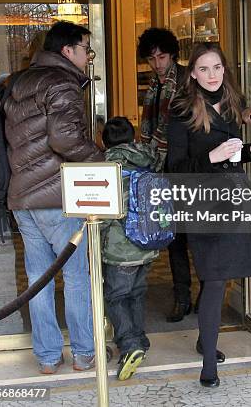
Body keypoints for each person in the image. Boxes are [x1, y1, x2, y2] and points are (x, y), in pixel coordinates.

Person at [4, 21, 104, 374]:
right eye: (86, 50)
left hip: (23, 197)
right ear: (68, 51)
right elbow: (64, 140)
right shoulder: (61, 82)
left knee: (39, 278)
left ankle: (47, 358)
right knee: (77, 276)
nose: (88, 57)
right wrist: (100, 158)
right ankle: (83, 352)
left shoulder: (21, 81)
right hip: (57, 197)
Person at [167, 42, 251, 388]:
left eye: (218, 68)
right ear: (193, 72)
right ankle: (208, 362)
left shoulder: (232, 105)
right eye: (204, 69)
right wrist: (210, 158)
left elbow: (233, 158)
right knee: (213, 278)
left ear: (225, 70)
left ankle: (203, 340)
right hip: (204, 205)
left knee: (221, 277)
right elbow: (175, 169)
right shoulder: (181, 109)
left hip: (236, 201)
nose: (212, 75)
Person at [138, 27, 198, 322]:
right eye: (152, 58)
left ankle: (203, 291)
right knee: (173, 234)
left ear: (172, 54)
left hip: (184, 165)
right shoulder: (154, 84)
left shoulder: (187, 79)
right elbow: (148, 127)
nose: (157, 63)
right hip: (160, 167)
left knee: (193, 233)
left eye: (161, 56)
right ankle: (182, 294)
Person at [101, 116, 159, 381]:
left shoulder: (107, 167)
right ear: (133, 136)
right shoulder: (148, 159)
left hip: (119, 250)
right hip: (147, 245)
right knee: (136, 293)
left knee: (115, 297)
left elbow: (103, 215)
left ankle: (130, 345)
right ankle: (140, 339)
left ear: (104, 141)